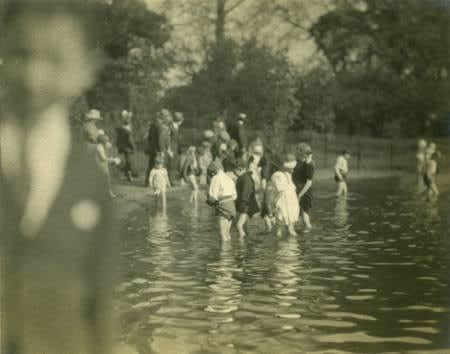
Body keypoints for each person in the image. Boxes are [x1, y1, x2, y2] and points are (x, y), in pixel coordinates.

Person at [0, 1, 118, 354]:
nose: (34, 76)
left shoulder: (89, 180)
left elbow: (101, 301)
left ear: (84, 69)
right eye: (22, 54)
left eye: (54, 59)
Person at [207, 160, 237, 241]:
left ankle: (224, 253)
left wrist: (209, 201)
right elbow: (235, 195)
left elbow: (213, 196)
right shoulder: (229, 178)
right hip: (232, 206)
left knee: (223, 235)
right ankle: (230, 251)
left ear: (214, 171)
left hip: (223, 205)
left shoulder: (215, 178)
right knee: (227, 234)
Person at [271, 155, 299, 236]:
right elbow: (292, 189)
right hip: (292, 202)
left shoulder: (277, 175)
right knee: (291, 227)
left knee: (279, 227)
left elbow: (280, 190)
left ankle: (278, 243)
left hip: (284, 201)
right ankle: (293, 245)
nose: (293, 170)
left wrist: (274, 201)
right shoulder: (287, 174)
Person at [235, 157, 260, 238]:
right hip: (245, 205)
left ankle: (241, 242)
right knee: (245, 226)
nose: (234, 173)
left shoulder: (245, 178)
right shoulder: (244, 177)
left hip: (246, 205)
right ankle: (247, 239)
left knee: (239, 225)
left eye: (235, 171)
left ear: (240, 169)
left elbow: (246, 193)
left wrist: (243, 204)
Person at [293, 143, 315, 231]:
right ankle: (302, 230)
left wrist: (300, 195)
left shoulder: (309, 165)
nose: (296, 154)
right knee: (298, 212)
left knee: (305, 213)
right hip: (297, 190)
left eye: (298, 152)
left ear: (302, 153)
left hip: (304, 192)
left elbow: (309, 183)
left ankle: (308, 231)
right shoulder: (300, 162)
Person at [116, 110, 136, 182]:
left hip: (122, 145)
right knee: (128, 161)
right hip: (127, 146)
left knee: (127, 160)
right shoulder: (126, 128)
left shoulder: (120, 126)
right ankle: (128, 174)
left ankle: (127, 173)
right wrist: (133, 146)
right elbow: (130, 139)